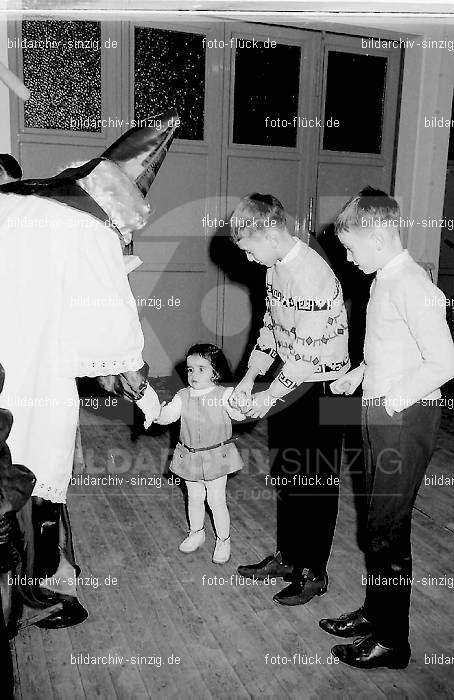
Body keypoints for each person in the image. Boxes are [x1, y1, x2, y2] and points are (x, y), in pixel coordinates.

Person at [0, 112, 179, 628]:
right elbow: (115, 332)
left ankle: (45, 591)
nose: (124, 238)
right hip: (35, 381)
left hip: (14, 371)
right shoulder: (88, 224)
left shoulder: (26, 203)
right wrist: (146, 397)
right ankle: (52, 592)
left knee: (21, 489)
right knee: (35, 485)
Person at [320, 186, 454, 669]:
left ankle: (392, 640)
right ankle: (377, 612)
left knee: (387, 532)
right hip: (382, 409)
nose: (349, 258)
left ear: (376, 237)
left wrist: (389, 402)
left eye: (351, 248)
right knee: (377, 526)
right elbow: (389, 345)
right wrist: (358, 375)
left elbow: (442, 362)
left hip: (403, 416)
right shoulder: (384, 278)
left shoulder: (412, 284)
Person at [229, 193, 350, 605]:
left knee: (316, 482)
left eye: (248, 248)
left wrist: (265, 400)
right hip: (292, 380)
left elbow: (304, 357)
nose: (247, 259)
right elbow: (271, 327)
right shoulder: (275, 266)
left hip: (327, 388)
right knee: (289, 474)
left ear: (269, 232)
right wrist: (249, 378)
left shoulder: (311, 274)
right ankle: (290, 557)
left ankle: (313, 572)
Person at [154, 343, 245, 564]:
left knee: (216, 500)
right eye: (190, 369)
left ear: (216, 372)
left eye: (201, 368)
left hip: (216, 457)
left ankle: (223, 539)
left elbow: (239, 415)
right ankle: (196, 532)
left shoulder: (225, 394)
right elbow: (167, 416)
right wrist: (154, 411)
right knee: (194, 498)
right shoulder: (182, 395)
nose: (193, 374)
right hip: (189, 456)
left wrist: (241, 404)